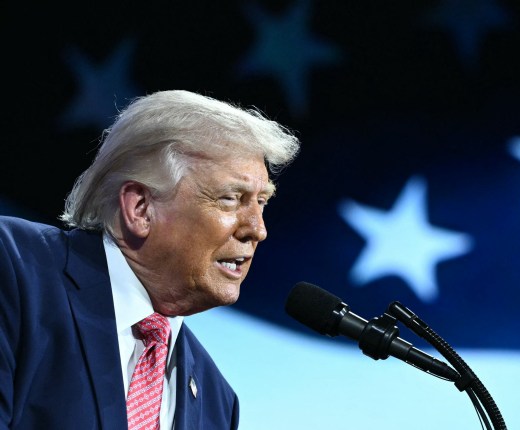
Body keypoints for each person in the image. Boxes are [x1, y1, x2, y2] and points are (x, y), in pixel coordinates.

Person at [0, 89, 300, 429]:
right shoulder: (16, 268)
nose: (257, 230)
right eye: (230, 198)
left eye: (261, 203)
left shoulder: (217, 402)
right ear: (140, 208)